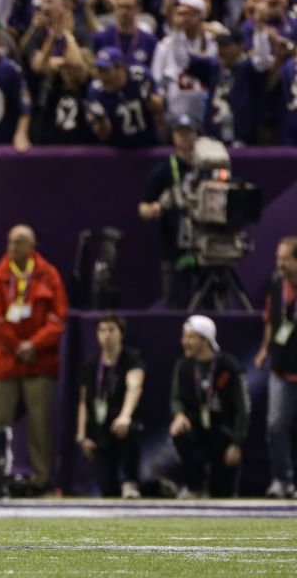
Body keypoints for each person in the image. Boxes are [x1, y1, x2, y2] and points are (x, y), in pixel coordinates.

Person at [0, 224, 67, 495]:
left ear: (31, 246)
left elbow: (57, 317)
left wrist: (34, 344)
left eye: (18, 242)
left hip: (39, 361)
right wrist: (18, 345)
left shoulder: (47, 275)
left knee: (40, 424)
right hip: (5, 361)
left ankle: (41, 479)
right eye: (9, 241)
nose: (11, 247)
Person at [170, 315, 248, 498]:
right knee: (180, 433)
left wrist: (236, 443)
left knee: (222, 494)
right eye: (184, 337)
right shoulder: (184, 365)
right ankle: (194, 486)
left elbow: (243, 408)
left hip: (222, 433)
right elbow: (176, 397)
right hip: (197, 431)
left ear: (205, 340)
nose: (185, 342)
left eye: (190, 337)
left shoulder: (229, 366)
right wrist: (179, 415)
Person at [75, 315, 145, 498]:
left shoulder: (131, 359)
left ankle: (131, 481)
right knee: (108, 489)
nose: (107, 335)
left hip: (120, 427)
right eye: (102, 330)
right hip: (100, 430)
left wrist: (125, 415)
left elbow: (134, 387)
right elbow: (83, 402)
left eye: (111, 330)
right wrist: (83, 434)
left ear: (121, 334)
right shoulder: (91, 366)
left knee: (131, 430)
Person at [138, 114, 200, 309]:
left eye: (188, 133)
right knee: (175, 304)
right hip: (174, 249)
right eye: (180, 133)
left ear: (196, 135)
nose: (184, 138)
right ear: (173, 136)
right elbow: (143, 208)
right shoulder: (163, 169)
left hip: (205, 246)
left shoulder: (208, 167)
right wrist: (156, 209)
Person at [256, 236, 297, 498]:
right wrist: (263, 349)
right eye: (278, 258)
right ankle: (282, 480)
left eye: (284, 258)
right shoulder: (274, 283)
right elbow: (271, 320)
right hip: (281, 367)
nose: (279, 263)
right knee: (275, 426)